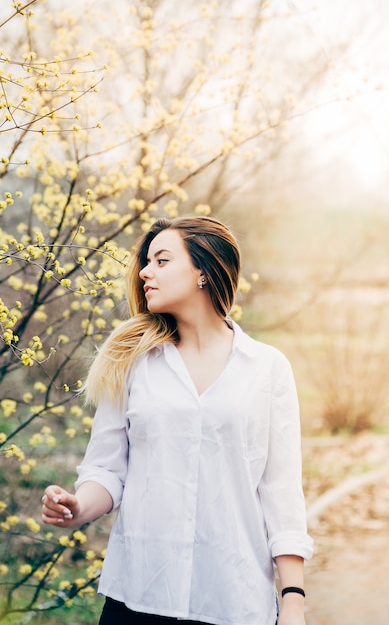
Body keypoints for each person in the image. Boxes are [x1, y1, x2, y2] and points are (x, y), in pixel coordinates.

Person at [41, 215, 313, 625]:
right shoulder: (130, 360)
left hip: (234, 600)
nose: (145, 272)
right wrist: (78, 507)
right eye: (147, 262)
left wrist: (292, 599)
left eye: (162, 260)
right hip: (139, 596)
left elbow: (281, 492)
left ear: (203, 271)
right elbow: (107, 469)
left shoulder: (268, 368)